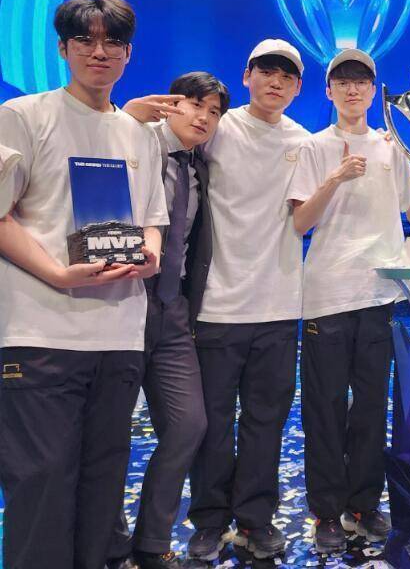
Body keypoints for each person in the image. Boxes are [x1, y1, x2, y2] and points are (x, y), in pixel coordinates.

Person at [0, 0, 168, 569]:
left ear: (128, 53)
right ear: (63, 48)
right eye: (85, 40)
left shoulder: (138, 134)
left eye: (112, 42)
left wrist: (151, 253)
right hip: (41, 332)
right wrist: (56, 272)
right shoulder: (24, 116)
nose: (99, 52)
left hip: (119, 333)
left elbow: (152, 218)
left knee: (104, 481)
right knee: (41, 482)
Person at [287, 48, 410, 555]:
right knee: (324, 408)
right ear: (328, 91)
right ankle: (326, 510)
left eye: (361, 81)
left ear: (373, 91)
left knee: (370, 406)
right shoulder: (314, 147)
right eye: (342, 81)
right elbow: (301, 222)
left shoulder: (392, 146)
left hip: (379, 292)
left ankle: (364, 503)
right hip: (327, 293)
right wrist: (335, 178)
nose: (351, 89)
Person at [185, 39, 310, 562]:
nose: (275, 81)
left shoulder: (303, 142)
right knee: (212, 423)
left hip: (278, 306)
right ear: (246, 75)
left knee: (266, 421)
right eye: (265, 71)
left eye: (286, 75)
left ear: (298, 87)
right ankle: (209, 520)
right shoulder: (217, 130)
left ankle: (256, 519)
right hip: (217, 306)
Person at [106, 72, 230, 569]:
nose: (203, 118)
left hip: (172, 309)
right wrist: (125, 119)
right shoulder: (133, 141)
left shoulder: (199, 167)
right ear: (169, 105)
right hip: (120, 301)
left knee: (187, 425)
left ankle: (152, 539)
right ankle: (110, 542)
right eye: (194, 105)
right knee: (110, 432)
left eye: (214, 112)